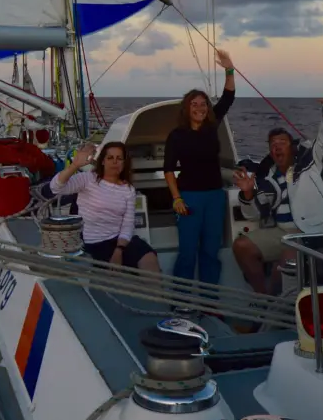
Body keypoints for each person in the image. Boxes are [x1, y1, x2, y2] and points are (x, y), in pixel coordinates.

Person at [233, 84, 323, 295]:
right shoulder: (268, 177)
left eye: (282, 142)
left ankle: (275, 307)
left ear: (292, 147)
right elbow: (253, 213)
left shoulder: (313, 164)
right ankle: (263, 296)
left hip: (313, 231)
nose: (277, 146)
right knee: (241, 246)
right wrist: (248, 193)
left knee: (286, 259)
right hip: (283, 233)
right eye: (272, 144)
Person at [163, 49, 236, 288]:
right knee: (187, 252)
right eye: (194, 104)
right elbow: (168, 170)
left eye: (203, 104)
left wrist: (229, 69)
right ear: (187, 108)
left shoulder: (211, 127)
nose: (200, 108)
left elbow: (227, 98)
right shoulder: (176, 136)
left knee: (210, 252)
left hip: (214, 196)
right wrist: (176, 198)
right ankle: (180, 301)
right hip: (189, 198)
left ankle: (210, 303)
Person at [48, 141, 160, 272]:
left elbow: (127, 225)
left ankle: (157, 292)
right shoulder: (88, 179)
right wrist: (75, 165)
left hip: (120, 241)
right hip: (93, 243)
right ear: (102, 161)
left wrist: (119, 250)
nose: (114, 162)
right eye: (110, 158)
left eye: (119, 158)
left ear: (124, 163)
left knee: (149, 259)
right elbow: (55, 187)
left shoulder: (128, 190)